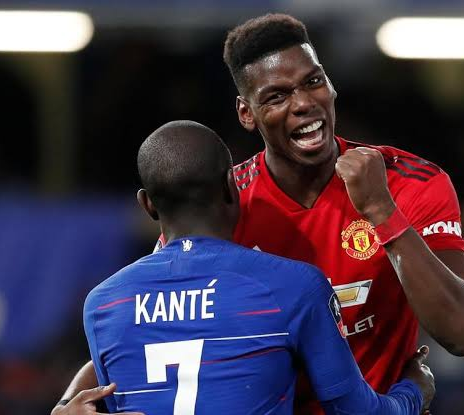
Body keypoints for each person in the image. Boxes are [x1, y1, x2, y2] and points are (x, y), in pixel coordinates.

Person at [53, 13, 464, 414]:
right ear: (247, 113)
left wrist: (382, 212)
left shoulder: (408, 183)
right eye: (277, 96)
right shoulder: (222, 204)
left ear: (331, 86)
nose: (303, 103)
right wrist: (72, 401)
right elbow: (156, 325)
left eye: (313, 82)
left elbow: (462, 333)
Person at [81, 120, 434, 414]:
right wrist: (414, 390)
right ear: (231, 186)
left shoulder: (104, 305)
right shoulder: (293, 286)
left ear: (147, 205)